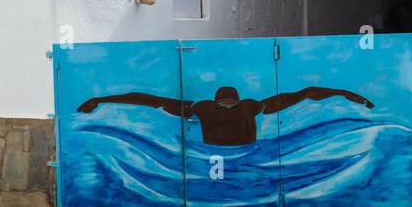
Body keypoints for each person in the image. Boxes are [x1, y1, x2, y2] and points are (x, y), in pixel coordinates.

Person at [78, 85, 373, 146]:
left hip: (251, 155)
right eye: (225, 105)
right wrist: (100, 99)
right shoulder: (201, 107)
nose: (230, 108)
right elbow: (146, 99)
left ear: (239, 101)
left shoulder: (252, 106)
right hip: (212, 154)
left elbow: (305, 93)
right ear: (217, 102)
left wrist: (350, 94)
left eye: (233, 104)